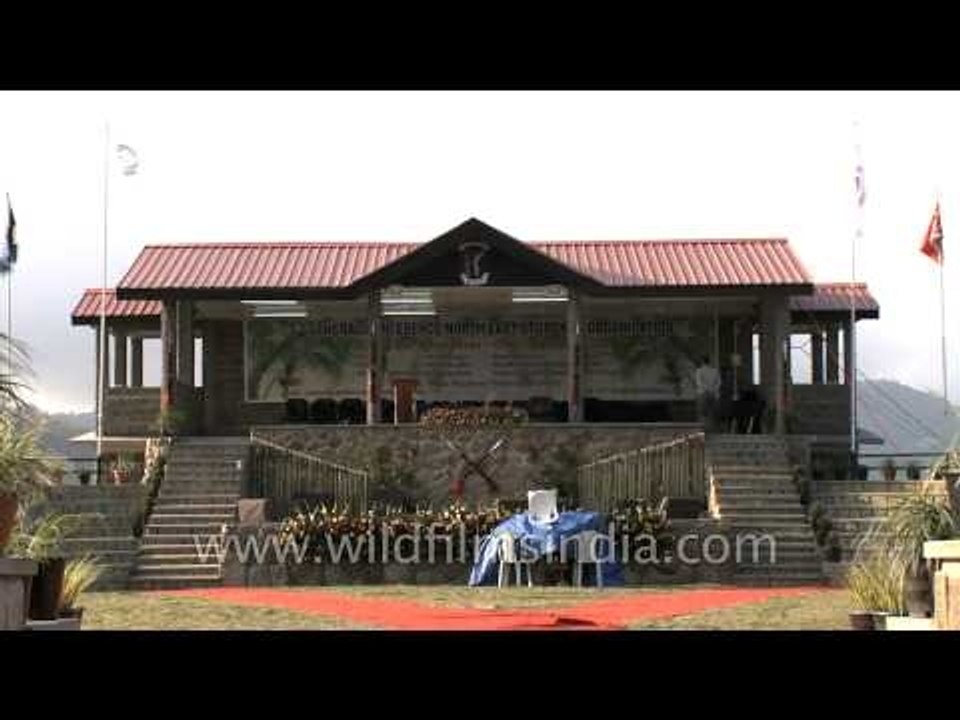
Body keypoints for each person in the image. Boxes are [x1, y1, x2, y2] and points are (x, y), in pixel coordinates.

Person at [694, 356, 721, 430]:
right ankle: (713, 429)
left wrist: (706, 389)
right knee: (712, 412)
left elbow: (699, 382)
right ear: (709, 362)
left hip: (703, 393)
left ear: (702, 361)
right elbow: (719, 382)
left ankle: (703, 428)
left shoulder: (699, 371)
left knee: (702, 413)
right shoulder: (715, 370)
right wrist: (713, 389)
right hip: (714, 394)